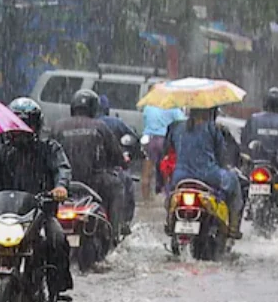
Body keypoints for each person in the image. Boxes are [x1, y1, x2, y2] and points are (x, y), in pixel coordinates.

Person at [0, 97, 73, 302]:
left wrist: (60, 187)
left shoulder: (49, 149)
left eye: (27, 125)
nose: (21, 131)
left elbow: (62, 169)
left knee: (57, 239)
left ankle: (55, 293)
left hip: (38, 214)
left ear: (36, 127)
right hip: (2, 215)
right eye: (16, 125)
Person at [49, 89, 127, 237]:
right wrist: (123, 162)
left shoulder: (57, 127)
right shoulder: (100, 126)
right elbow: (117, 155)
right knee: (118, 187)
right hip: (95, 182)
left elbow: (49, 155)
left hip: (63, 184)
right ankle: (115, 233)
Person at [167, 107, 245, 239]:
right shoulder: (212, 128)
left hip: (180, 177)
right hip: (209, 175)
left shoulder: (176, 127)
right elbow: (221, 157)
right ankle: (233, 227)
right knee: (234, 179)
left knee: (170, 194)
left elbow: (169, 149)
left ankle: (169, 221)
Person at [96, 94, 139, 235]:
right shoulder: (112, 123)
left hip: (83, 174)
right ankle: (120, 226)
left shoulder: (74, 124)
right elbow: (132, 138)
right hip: (107, 172)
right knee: (124, 185)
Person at [142, 102, 187, 195]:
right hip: (163, 140)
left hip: (148, 140)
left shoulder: (148, 107)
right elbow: (183, 121)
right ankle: (165, 194)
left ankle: (146, 200)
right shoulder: (172, 107)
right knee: (165, 168)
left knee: (147, 170)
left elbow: (145, 120)